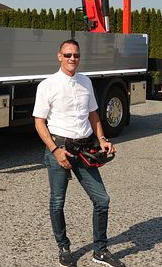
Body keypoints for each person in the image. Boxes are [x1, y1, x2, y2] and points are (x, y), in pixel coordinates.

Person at [33, 39, 125, 267]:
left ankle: (100, 251)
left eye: (75, 55)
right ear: (59, 56)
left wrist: (102, 139)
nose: (72, 59)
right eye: (67, 55)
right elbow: (39, 122)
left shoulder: (86, 82)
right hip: (60, 149)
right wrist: (55, 151)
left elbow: (93, 114)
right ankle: (63, 248)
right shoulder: (47, 85)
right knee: (57, 202)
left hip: (85, 150)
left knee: (102, 200)